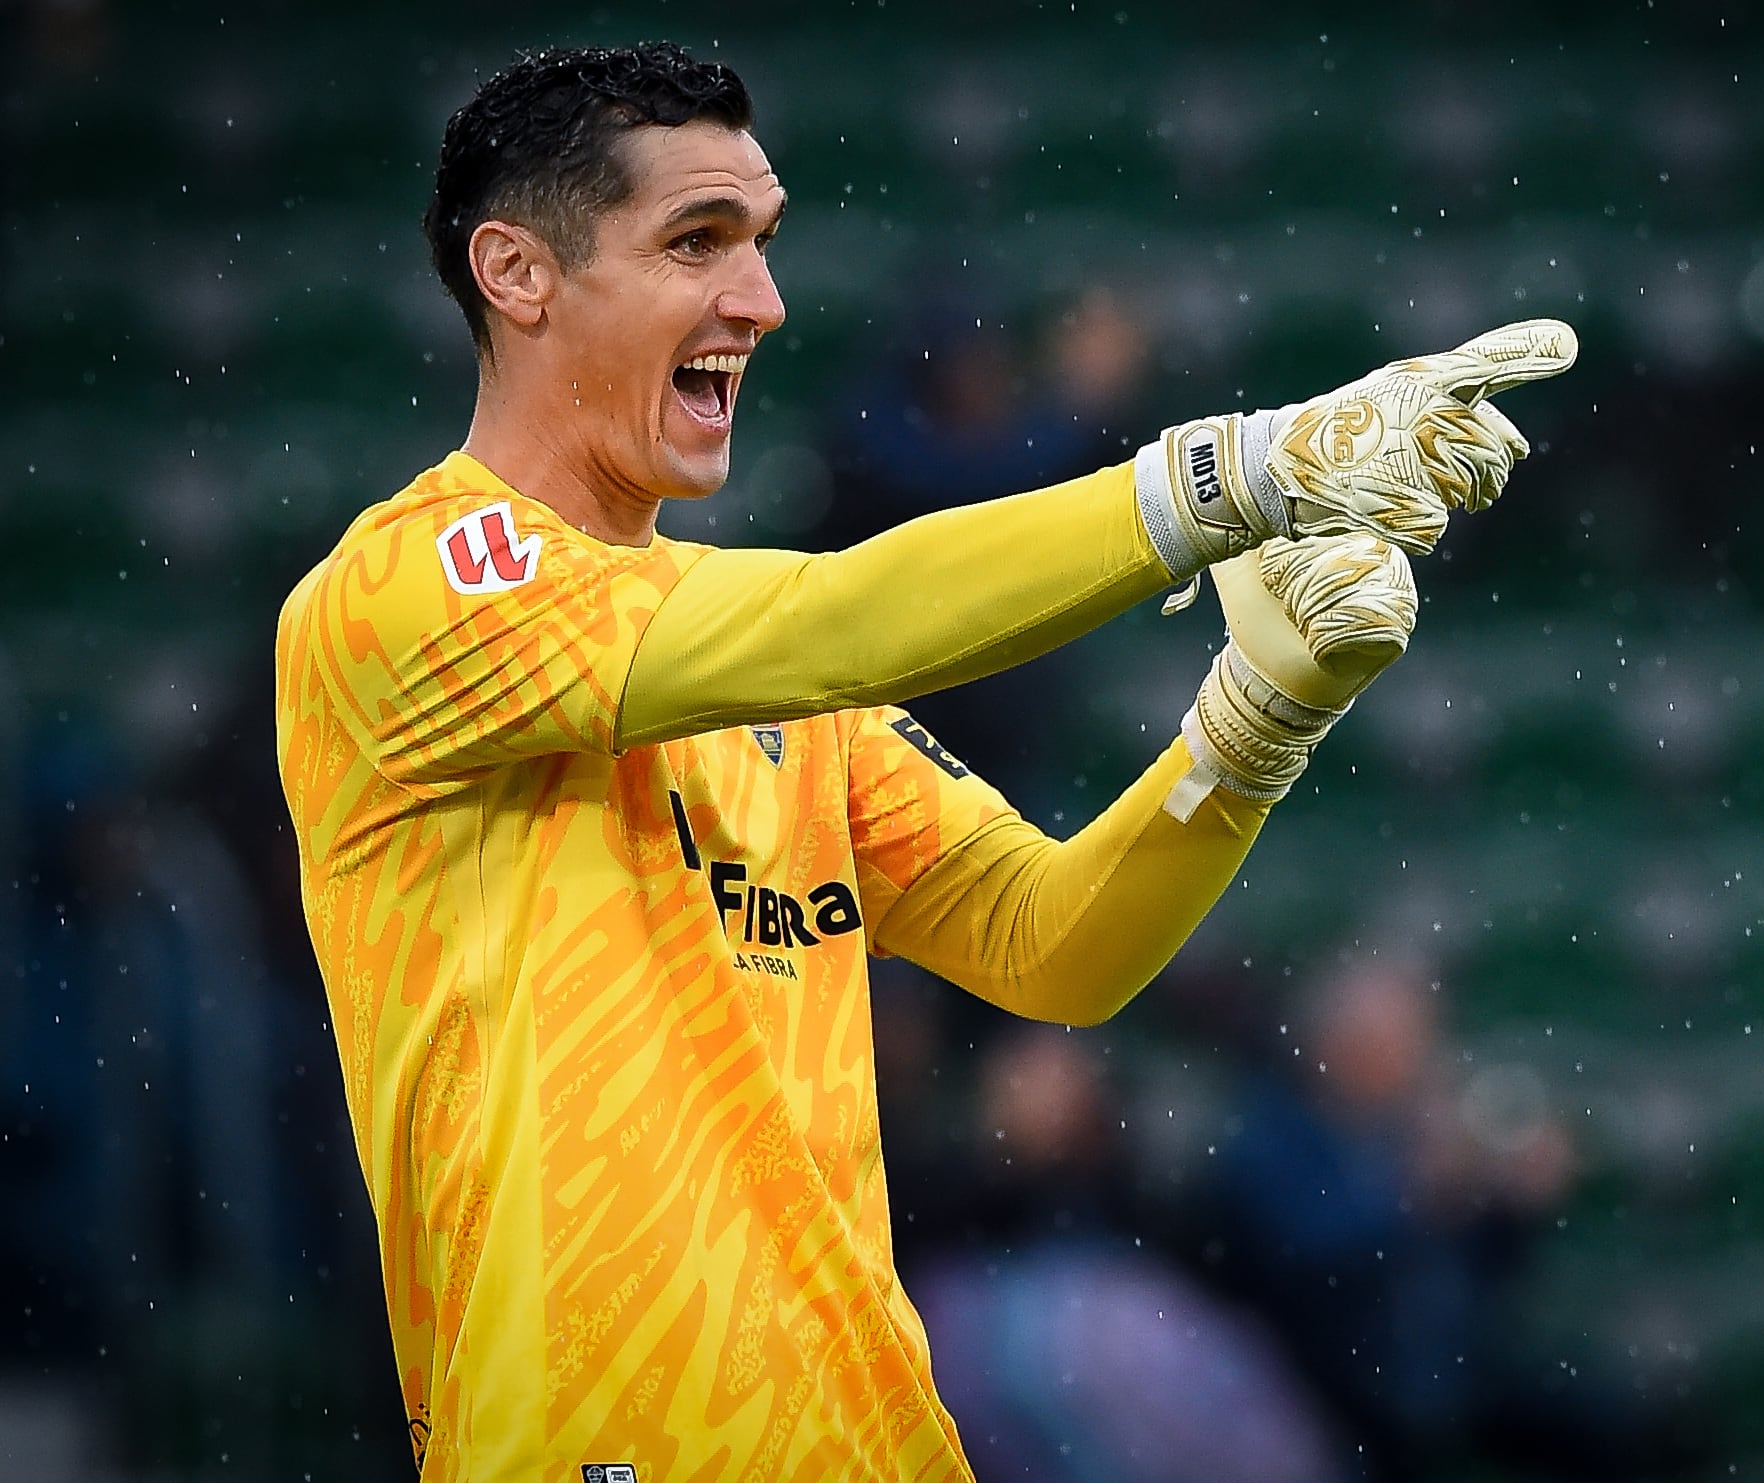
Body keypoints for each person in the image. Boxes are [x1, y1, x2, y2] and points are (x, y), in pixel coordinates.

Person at [271, 41, 1572, 1481]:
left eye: (762, 245)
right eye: (697, 242)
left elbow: (1052, 947)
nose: (759, 301)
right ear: (516, 272)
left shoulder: (779, 681)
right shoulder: (403, 592)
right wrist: (1228, 478)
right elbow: (845, 614)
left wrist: (1256, 717)